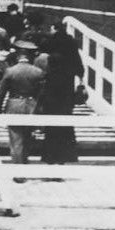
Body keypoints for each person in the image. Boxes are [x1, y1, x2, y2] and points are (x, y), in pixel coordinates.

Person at [0, 41, 44, 166]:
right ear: (30, 56)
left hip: (14, 105)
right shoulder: (38, 72)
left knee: (16, 140)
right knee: (28, 138)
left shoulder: (10, 71)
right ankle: (24, 163)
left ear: (18, 55)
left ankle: (18, 171)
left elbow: (2, 93)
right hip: (31, 106)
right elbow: (41, 94)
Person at [38, 21, 85, 165]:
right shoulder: (71, 43)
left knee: (51, 122)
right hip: (66, 89)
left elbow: (41, 60)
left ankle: (50, 157)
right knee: (65, 121)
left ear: (54, 28)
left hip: (51, 88)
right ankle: (64, 157)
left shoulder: (49, 42)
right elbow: (80, 68)